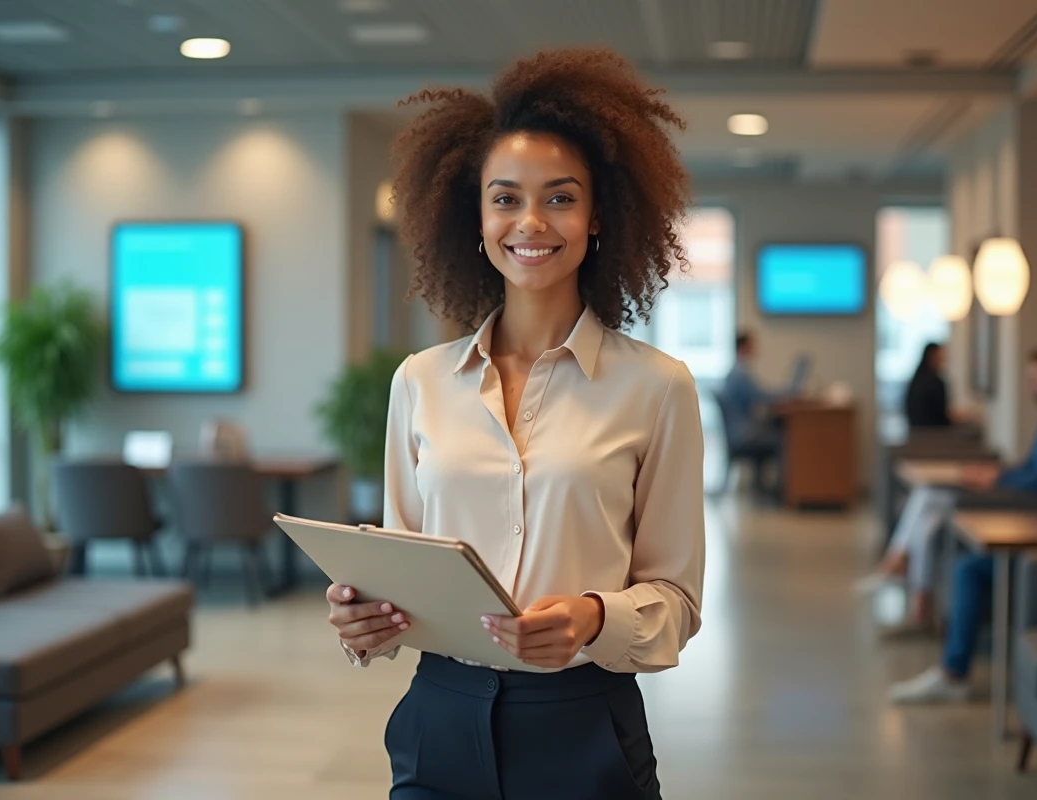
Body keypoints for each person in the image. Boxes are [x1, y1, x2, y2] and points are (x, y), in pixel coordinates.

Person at [324, 48, 705, 799]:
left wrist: (594, 618)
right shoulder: (420, 382)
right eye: (505, 199)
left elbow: (677, 604)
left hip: (583, 722)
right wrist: (367, 621)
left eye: (560, 198)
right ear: (475, 219)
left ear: (599, 217)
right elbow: (404, 572)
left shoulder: (657, 387)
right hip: (439, 719)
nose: (531, 222)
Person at [888, 346, 1037, 703]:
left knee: (968, 565)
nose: (1032, 386)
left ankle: (952, 671)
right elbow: (1032, 467)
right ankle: (940, 644)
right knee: (948, 534)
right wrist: (998, 474)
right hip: (1035, 523)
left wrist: (998, 483)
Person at [715, 330, 798, 496]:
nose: (756, 348)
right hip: (744, 435)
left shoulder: (737, 371)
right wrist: (787, 392)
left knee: (774, 430)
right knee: (782, 439)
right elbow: (760, 395)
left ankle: (764, 488)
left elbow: (758, 395)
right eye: (753, 345)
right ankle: (782, 492)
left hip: (742, 431)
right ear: (744, 346)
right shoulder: (739, 374)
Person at [905, 342, 952, 428]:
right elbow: (941, 416)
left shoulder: (916, 378)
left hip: (915, 432)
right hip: (933, 434)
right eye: (940, 356)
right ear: (933, 357)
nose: (943, 360)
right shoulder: (935, 382)